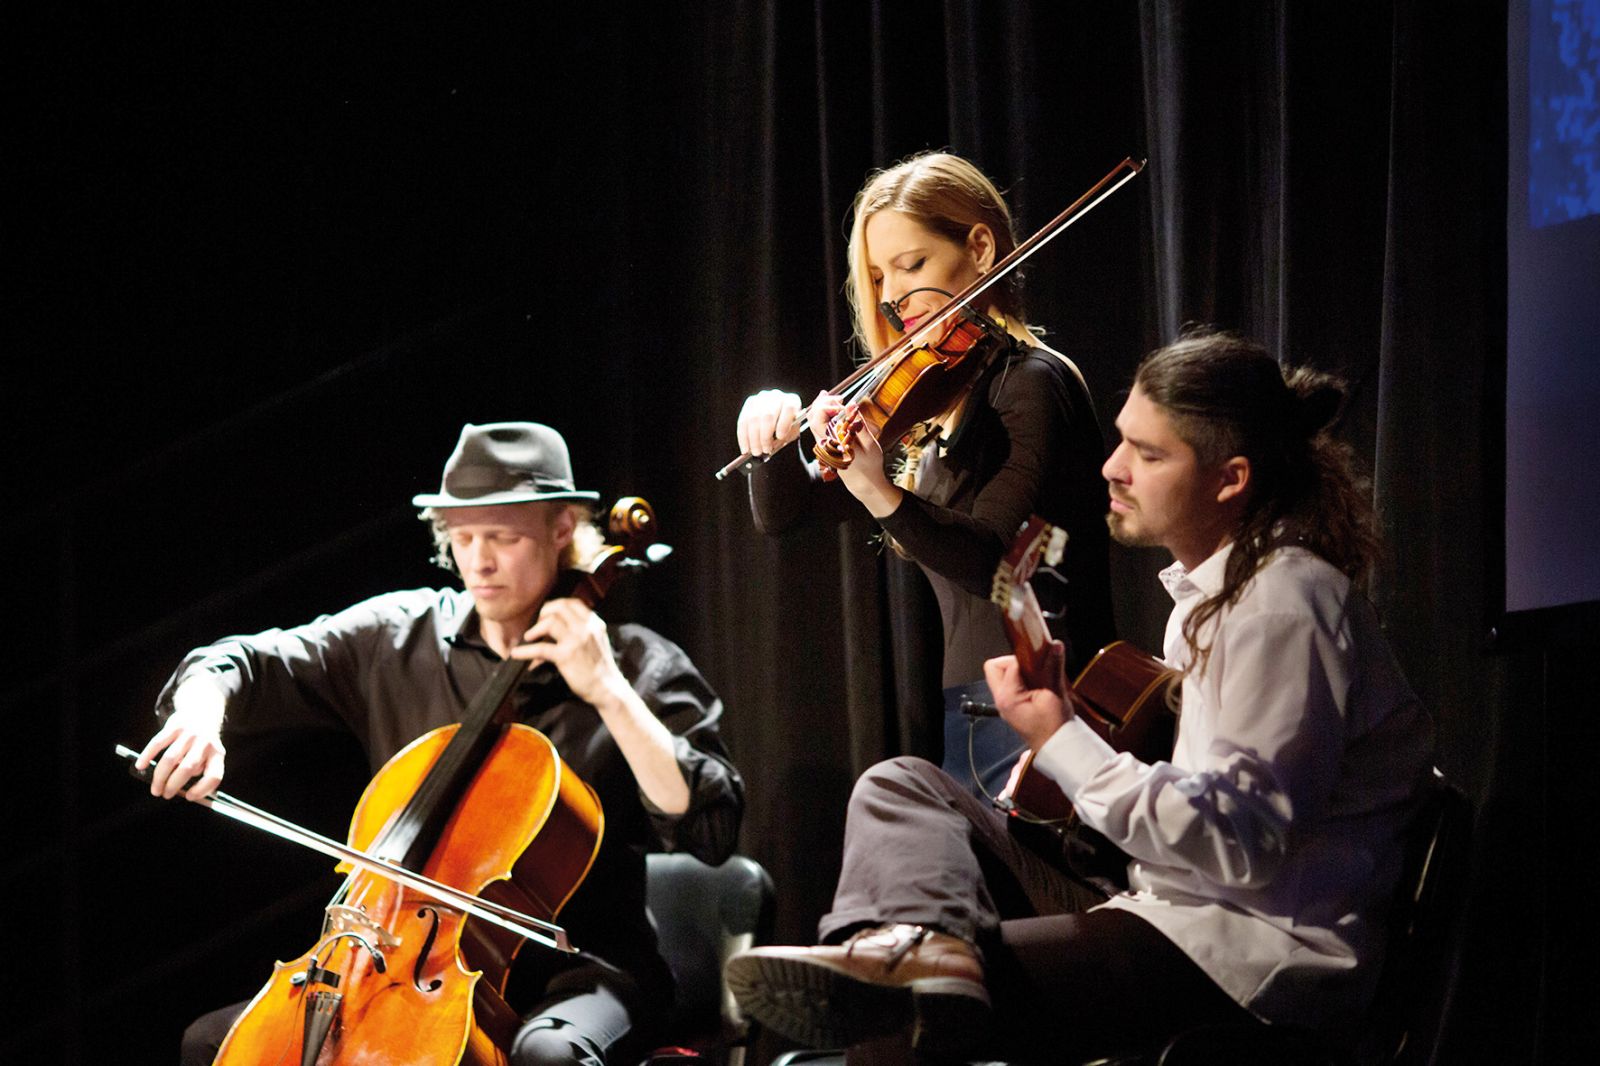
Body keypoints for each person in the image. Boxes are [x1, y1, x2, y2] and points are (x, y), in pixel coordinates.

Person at [725, 330, 1435, 1062]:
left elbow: (1238, 845)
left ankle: (906, 970)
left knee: (899, 1013)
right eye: (1123, 441)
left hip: (1245, 959)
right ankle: (909, 948)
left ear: (1231, 479)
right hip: (1166, 910)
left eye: (1149, 455)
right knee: (901, 788)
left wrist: (1061, 736)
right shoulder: (1208, 602)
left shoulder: (1283, 606)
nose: (1112, 469)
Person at [136, 421, 744, 1066]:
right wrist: (200, 716)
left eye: (503, 538)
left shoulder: (638, 663)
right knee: (211, 1044)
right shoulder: (396, 636)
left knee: (548, 1058)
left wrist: (609, 694)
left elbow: (709, 829)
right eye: (462, 537)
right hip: (396, 960)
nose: (478, 561)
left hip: (582, 969)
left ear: (562, 529)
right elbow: (237, 662)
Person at [734, 151, 1115, 796]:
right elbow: (784, 516)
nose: (889, 297)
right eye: (879, 276)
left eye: (912, 266)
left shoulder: (1031, 384)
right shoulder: (932, 396)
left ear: (980, 247)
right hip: (974, 705)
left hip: (1050, 699)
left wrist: (882, 492)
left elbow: (1002, 569)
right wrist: (770, 441)